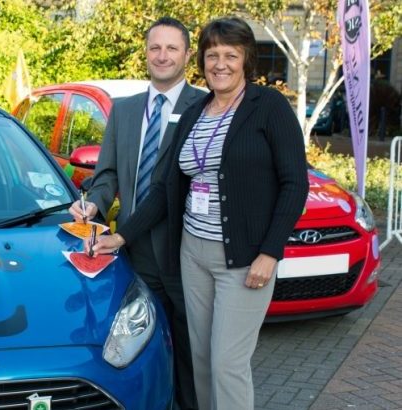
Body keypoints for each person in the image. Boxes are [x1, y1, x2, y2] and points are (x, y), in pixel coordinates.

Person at [90, 17, 309, 410]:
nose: (220, 64)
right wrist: (122, 235)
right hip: (193, 255)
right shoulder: (197, 113)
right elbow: (165, 189)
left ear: (245, 61)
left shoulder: (268, 107)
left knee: (228, 363)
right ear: (202, 61)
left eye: (230, 55)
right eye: (213, 56)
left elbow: (295, 184)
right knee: (203, 360)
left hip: (243, 259)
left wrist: (271, 251)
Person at [69, 16, 204, 410]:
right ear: (145, 53)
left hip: (187, 251)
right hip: (134, 250)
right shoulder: (124, 110)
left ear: (187, 55)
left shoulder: (205, 106)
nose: (162, 56)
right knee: (139, 347)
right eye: (155, 48)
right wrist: (95, 199)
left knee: (191, 351)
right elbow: (108, 172)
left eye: (172, 48)